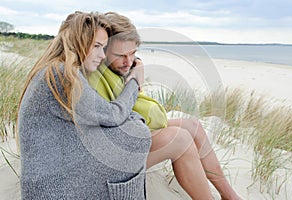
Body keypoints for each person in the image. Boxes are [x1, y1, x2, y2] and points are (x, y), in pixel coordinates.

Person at [88, 12, 242, 200]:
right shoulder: (95, 74)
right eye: (120, 56)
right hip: (111, 155)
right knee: (180, 139)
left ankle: (230, 196)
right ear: (102, 51)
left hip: (130, 136)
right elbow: (120, 122)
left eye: (133, 54)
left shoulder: (120, 71)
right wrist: (135, 82)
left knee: (193, 125)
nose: (128, 62)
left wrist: (134, 76)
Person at [17, 11, 151, 199]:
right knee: (138, 135)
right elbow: (112, 115)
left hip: (54, 177)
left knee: (135, 132)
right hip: (53, 189)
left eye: (103, 48)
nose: (101, 55)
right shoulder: (62, 74)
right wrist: (135, 81)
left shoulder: (58, 69)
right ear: (78, 41)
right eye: (96, 46)